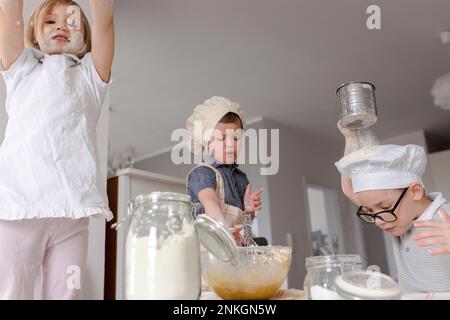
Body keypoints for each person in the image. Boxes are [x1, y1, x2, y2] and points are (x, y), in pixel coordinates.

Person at [0, 0, 114, 299]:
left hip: (72, 213)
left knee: (68, 293)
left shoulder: (90, 75)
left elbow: (105, 23)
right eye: (50, 21)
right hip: (20, 208)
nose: (62, 26)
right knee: (12, 292)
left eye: (72, 21)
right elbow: (10, 13)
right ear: (34, 34)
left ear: (85, 37)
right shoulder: (21, 69)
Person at [335, 124, 450, 293]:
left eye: (385, 207)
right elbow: (349, 189)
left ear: (415, 191)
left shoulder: (445, 218)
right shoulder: (399, 220)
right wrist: (351, 138)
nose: (379, 221)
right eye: (369, 211)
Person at [186, 96, 262, 245]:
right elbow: (211, 203)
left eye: (236, 138)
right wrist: (224, 231)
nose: (230, 145)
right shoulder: (202, 173)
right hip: (209, 250)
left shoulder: (241, 178)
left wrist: (249, 211)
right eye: (221, 138)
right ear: (206, 141)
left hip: (237, 249)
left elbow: (244, 222)